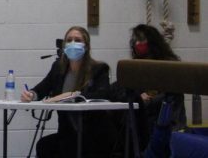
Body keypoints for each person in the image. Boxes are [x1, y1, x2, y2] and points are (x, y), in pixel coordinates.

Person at [20, 25, 112, 157]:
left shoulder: (99, 69)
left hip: (93, 134)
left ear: (86, 46)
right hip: (67, 132)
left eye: (78, 40)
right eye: (69, 40)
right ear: (64, 45)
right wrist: (31, 94)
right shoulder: (58, 68)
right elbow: (42, 88)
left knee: (68, 148)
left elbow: (104, 94)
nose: (73, 43)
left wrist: (72, 95)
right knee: (44, 145)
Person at [109, 24, 186, 154]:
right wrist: (138, 97)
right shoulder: (136, 67)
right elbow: (116, 89)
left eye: (141, 40)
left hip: (165, 126)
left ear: (152, 42)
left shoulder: (169, 67)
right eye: (135, 40)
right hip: (143, 128)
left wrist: (145, 100)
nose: (137, 43)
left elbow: (170, 98)